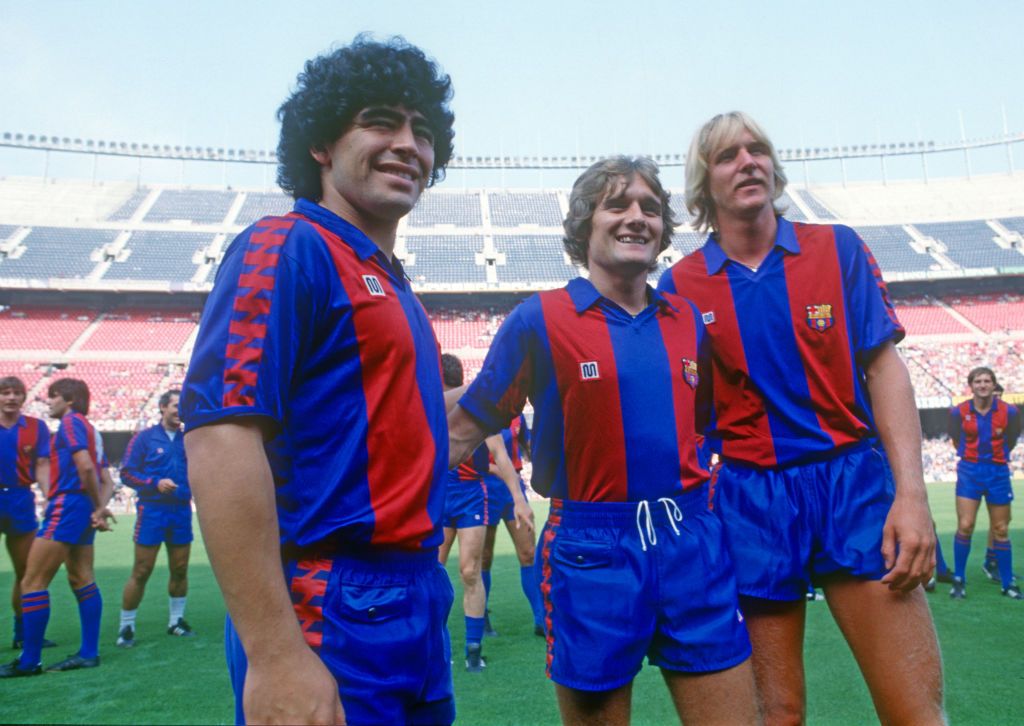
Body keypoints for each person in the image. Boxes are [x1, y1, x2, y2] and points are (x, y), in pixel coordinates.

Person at [181, 35, 458, 725]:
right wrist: (275, 655)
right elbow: (220, 440)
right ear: (321, 145)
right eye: (379, 122)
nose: (407, 144)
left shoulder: (393, 285)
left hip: (415, 596)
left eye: (422, 131)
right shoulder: (289, 245)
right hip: (329, 600)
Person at [449, 156, 757, 725]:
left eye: (651, 209)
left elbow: (709, 426)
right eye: (617, 205)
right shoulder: (539, 319)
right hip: (594, 547)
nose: (637, 218)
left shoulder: (687, 320)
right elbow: (462, 432)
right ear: (584, 224)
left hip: (692, 539)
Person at [658, 111, 944, 724]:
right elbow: (683, 409)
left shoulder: (834, 247)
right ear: (703, 181)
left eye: (757, 149)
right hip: (751, 497)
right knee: (777, 716)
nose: (748, 161)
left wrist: (912, 495)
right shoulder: (680, 285)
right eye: (728, 155)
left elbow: (884, 366)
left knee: (914, 713)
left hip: (853, 486)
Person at [0, 378, 114, 677]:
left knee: (32, 580)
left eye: (53, 397)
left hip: (68, 504)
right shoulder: (90, 428)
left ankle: (29, 661)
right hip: (82, 507)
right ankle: (89, 653)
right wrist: (98, 508)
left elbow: (86, 467)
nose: (48, 402)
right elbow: (104, 476)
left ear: (69, 400)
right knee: (81, 578)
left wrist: (93, 504)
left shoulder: (71, 423)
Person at [438, 353, 531, 671]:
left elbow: (501, 456)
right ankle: (432, 646)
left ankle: (473, 651)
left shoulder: (471, 409)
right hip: (438, 495)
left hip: (470, 497)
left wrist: (519, 498)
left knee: (469, 570)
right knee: (431, 572)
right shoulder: (422, 408)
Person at [117, 389, 195, 648]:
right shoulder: (145, 438)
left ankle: (176, 621)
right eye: (174, 405)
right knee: (141, 570)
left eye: (182, 406)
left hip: (181, 511)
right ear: (162, 408)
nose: (178, 410)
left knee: (180, 569)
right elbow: (127, 473)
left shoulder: (190, 439)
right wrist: (154, 482)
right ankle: (126, 626)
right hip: (152, 510)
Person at [948, 367, 1021, 599]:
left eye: (987, 381)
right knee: (966, 525)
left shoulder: (1009, 411)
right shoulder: (958, 411)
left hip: (998, 472)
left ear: (993, 384)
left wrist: (996, 459)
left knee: (1000, 528)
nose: (982, 385)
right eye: (978, 381)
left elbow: (1011, 439)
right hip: (969, 471)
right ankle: (959, 579)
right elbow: (955, 439)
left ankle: (1008, 583)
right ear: (971, 385)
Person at [479, 413, 545, 637]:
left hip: (513, 489)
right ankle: (481, 617)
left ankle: (540, 619)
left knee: (528, 553)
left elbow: (528, 446)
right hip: (485, 488)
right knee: (484, 557)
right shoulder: (479, 409)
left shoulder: (517, 416)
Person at [0, 377, 52, 650]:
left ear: (24, 397)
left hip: (20, 498)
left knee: (26, 570)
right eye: (5, 393)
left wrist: (49, 496)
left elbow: (42, 464)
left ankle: (22, 633)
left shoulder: (36, 427)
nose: (10, 397)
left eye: (16, 393)